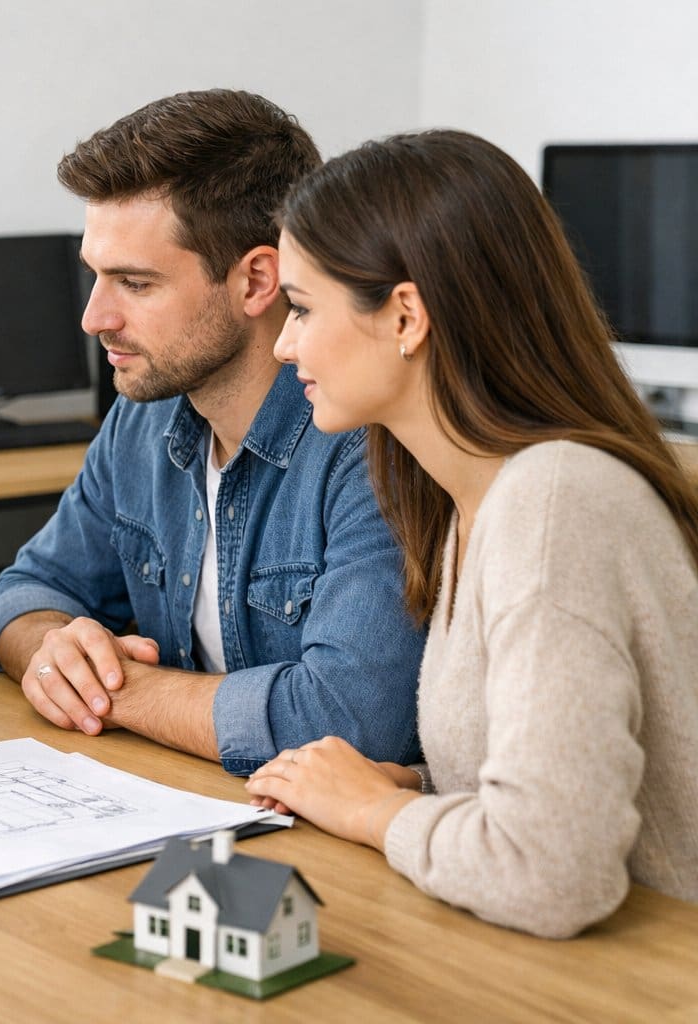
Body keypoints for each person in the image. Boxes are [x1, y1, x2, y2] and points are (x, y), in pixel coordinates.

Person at [248, 129, 698, 938]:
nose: (284, 345)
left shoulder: (553, 501)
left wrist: (374, 812)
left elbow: (552, 871)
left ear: (406, 316)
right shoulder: (464, 499)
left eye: (303, 309)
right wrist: (415, 790)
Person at [0, 90, 425, 775]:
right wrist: (55, 648)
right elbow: (19, 593)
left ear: (256, 281)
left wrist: (118, 693)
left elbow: (353, 720)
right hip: (186, 802)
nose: (95, 318)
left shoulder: (368, 443)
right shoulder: (143, 415)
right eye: (95, 276)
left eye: (134, 283)